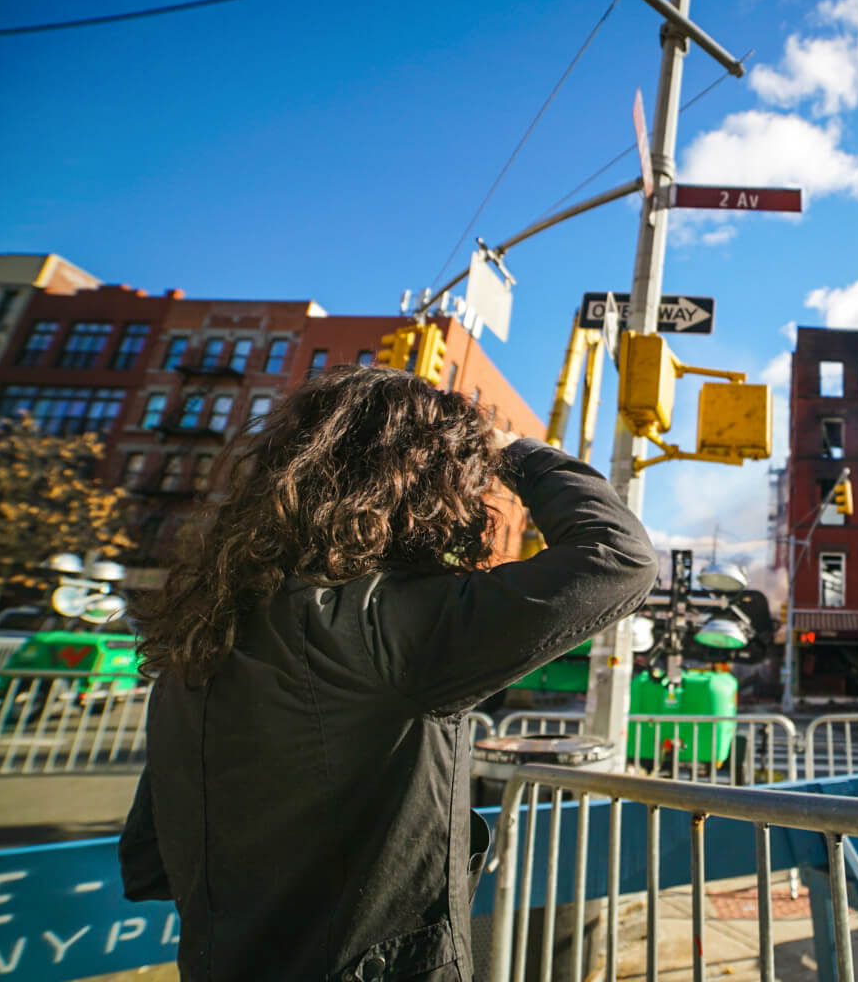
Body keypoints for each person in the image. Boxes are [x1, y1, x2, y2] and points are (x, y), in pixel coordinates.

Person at [118, 366, 658, 982]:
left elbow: (152, 852)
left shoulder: (213, 618)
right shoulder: (382, 622)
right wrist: (515, 452)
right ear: (424, 488)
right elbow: (616, 558)